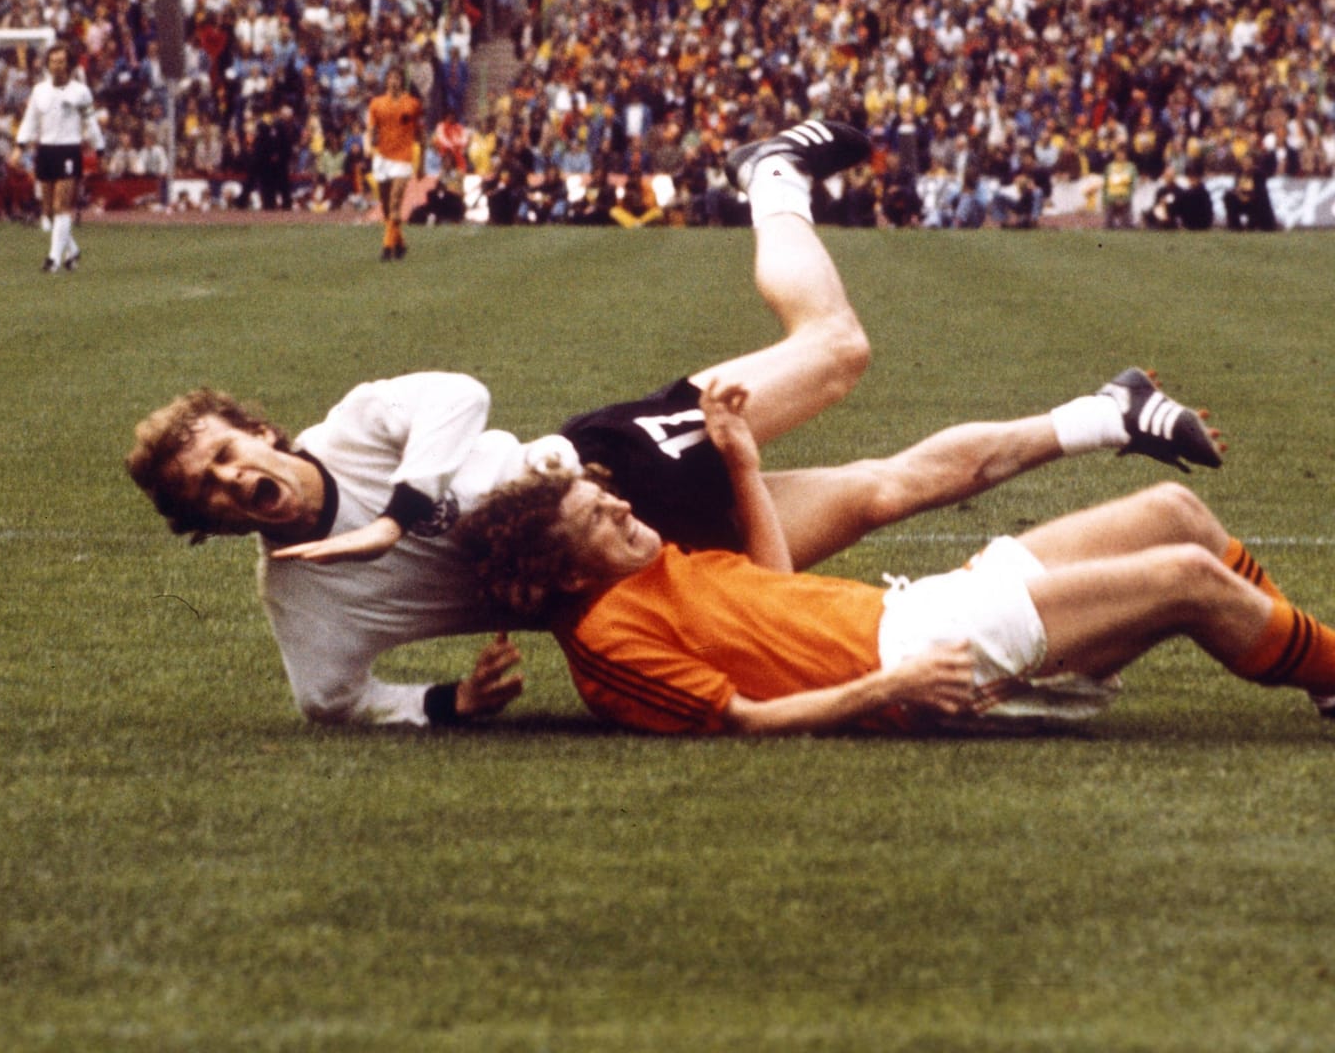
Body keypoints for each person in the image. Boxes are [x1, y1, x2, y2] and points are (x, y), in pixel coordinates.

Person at [126, 121, 1224, 728]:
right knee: (889, 490)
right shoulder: (297, 590)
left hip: (610, 477)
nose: (233, 480)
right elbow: (330, 699)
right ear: (207, 522)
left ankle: (773, 176)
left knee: (835, 351)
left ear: (259, 428)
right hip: (634, 587)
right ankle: (1107, 409)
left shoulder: (359, 425)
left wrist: (399, 514)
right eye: (208, 491)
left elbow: (455, 393)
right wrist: (445, 702)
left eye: (228, 452)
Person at [456, 381, 1331, 737]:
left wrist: (742, 461)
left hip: (917, 608)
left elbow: (773, 595)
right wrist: (890, 688)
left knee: (1174, 514)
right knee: (1184, 581)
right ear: (566, 574)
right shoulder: (609, 644)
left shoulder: (643, 565)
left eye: (606, 495)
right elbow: (743, 722)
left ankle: (1321, 681)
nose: (621, 506)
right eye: (599, 517)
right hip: (915, 655)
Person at [8, 45, 98, 274]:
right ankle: (73, 250)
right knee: (48, 210)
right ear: (48, 64)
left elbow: (91, 122)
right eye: (53, 61)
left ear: (69, 64)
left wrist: (100, 149)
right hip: (45, 151)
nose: (57, 65)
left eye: (61, 61)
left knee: (62, 206)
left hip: (69, 150)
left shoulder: (80, 92)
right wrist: (19, 148)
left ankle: (53, 260)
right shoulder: (39, 91)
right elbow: (30, 121)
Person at [366, 67, 423, 261]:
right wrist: (368, 144)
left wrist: (421, 163)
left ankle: (386, 248)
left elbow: (420, 134)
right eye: (390, 77)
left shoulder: (412, 104)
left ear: (402, 81)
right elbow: (371, 129)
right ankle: (400, 244)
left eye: (397, 78)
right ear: (386, 81)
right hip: (383, 158)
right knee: (386, 208)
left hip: (403, 158)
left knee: (395, 203)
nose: (394, 81)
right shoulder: (377, 103)